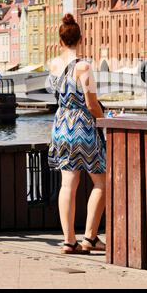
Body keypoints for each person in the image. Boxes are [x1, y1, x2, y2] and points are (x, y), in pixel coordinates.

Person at [48, 14, 106, 254]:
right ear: (81, 39)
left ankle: (69, 241)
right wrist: (103, 119)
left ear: (60, 41)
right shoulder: (84, 67)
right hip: (82, 125)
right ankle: (90, 237)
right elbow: (91, 103)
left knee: (67, 185)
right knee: (101, 181)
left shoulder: (53, 65)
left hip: (61, 125)